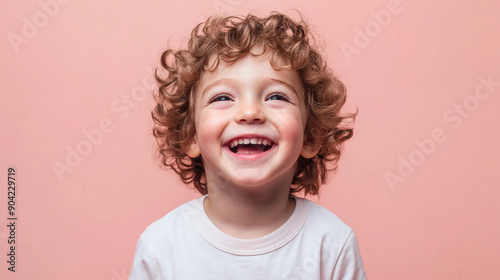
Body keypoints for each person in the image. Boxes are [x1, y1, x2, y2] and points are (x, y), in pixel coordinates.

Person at [129, 11, 366, 280]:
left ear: (310, 136)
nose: (250, 111)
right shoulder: (161, 247)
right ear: (191, 135)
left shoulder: (332, 245)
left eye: (276, 96)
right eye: (222, 97)